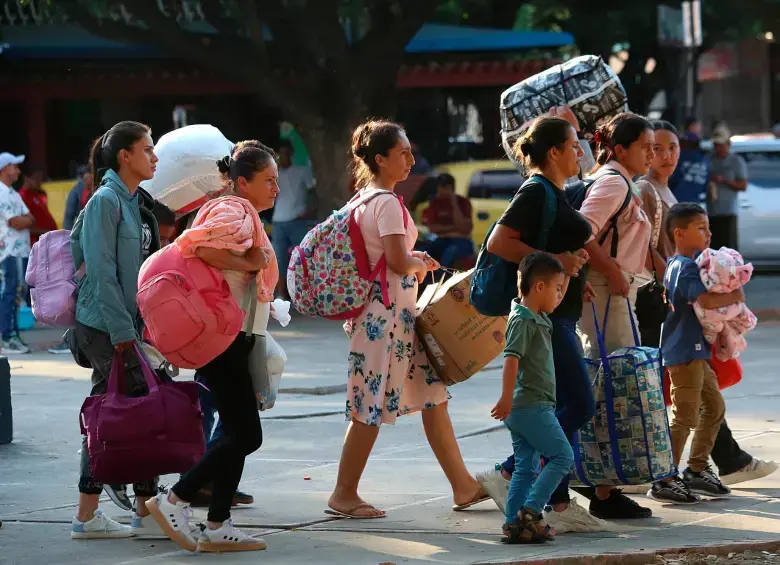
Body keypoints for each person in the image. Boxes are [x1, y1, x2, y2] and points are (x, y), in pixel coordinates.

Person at [327, 120, 487, 519]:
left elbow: (387, 260)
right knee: (371, 405)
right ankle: (343, 493)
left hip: (394, 318)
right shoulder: (386, 203)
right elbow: (398, 261)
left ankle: (463, 486)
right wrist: (417, 263)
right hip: (387, 320)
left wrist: (413, 263)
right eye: (403, 153)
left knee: (434, 398)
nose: (411, 160)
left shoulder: (363, 200)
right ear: (380, 159)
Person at [476, 116, 611, 533]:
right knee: (579, 404)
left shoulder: (555, 192)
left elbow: (549, 247)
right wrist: (560, 266)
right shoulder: (536, 190)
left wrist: (568, 279)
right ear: (554, 152)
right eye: (573, 145)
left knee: (560, 406)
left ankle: (548, 497)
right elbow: (499, 242)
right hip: (546, 323)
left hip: (558, 314)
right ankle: (518, 478)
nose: (580, 153)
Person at [146, 140, 277, 553]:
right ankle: (175, 499)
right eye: (268, 181)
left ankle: (218, 524)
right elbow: (198, 246)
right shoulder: (233, 209)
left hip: (227, 335)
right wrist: (250, 263)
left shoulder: (238, 210)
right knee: (246, 435)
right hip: (221, 338)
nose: (276, 188)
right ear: (242, 182)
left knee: (236, 431)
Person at [69, 121, 160, 540]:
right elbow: (102, 272)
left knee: (113, 412)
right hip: (103, 326)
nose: (154, 157)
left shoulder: (134, 200)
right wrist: (124, 332)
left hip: (124, 325)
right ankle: (143, 508)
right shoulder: (106, 201)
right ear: (125, 156)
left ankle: (103, 514)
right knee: (139, 408)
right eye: (147, 149)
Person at [648, 203, 735, 503]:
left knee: (714, 406)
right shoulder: (683, 266)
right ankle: (664, 477)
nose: (708, 233)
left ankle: (696, 469)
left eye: (708, 227)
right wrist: (736, 294)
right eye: (701, 228)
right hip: (684, 352)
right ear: (679, 234)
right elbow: (706, 301)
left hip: (695, 351)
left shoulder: (683, 263)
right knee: (685, 414)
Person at [491, 253, 574, 544]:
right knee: (563, 456)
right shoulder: (523, 321)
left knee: (526, 467)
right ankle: (531, 511)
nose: (560, 295)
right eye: (557, 288)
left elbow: (548, 305)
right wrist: (505, 399)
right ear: (539, 287)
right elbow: (511, 359)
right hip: (529, 406)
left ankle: (514, 525)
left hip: (529, 405)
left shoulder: (537, 316)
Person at [271, 138, 314, 299]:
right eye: (281, 154)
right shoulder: (274, 174)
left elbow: (312, 191)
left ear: (291, 154)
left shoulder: (301, 171)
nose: (284, 157)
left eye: (286, 153)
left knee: (303, 259)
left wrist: (309, 209)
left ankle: (305, 295)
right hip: (278, 221)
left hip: (297, 219)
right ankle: (282, 295)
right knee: (279, 259)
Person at [0, 152, 34, 355]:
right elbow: (15, 221)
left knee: (15, 295)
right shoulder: (2, 193)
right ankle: (7, 337)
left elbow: (29, 217)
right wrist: (25, 220)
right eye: (15, 166)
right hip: (9, 252)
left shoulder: (12, 192)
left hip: (19, 250)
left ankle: (13, 335)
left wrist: (26, 220)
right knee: (9, 293)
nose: (18, 170)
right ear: (4, 169)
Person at [421, 173, 474, 267]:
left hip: (461, 240)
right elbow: (433, 228)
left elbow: (465, 228)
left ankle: (444, 277)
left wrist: (454, 203)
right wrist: (455, 229)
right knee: (426, 253)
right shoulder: (435, 203)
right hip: (442, 239)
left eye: (444, 187)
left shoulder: (462, 202)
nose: (441, 190)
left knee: (450, 254)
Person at [708, 131, 748, 250]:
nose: (718, 148)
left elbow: (743, 185)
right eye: (716, 145)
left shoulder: (736, 161)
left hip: (728, 212)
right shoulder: (709, 159)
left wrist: (724, 180)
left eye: (721, 145)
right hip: (711, 211)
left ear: (728, 144)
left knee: (728, 248)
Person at [19, 167, 57, 246]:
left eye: (41, 179)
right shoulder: (22, 197)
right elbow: (23, 225)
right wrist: (44, 231)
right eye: (36, 178)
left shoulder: (38, 194)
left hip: (48, 240)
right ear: (27, 179)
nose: (39, 182)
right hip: (36, 243)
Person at [669, 132, 709, 206]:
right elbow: (705, 186)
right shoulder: (705, 161)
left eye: (683, 142)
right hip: (697, 202)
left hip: (678, 201)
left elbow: (672, 179)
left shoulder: (681, 157)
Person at [63, 166, 94, 230]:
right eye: (85, 179)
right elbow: (69, 216)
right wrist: (69, 236)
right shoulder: (77, 191)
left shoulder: (101, 189)